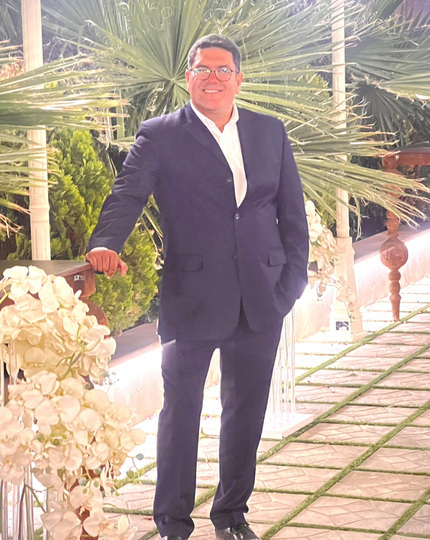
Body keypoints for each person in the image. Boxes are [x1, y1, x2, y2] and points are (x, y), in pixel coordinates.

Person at [86, 34, 309, 540]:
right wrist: (105, 242)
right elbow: (127, 193)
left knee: (245, 414)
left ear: (238, 78)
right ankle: (172, 524)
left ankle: (231, 515)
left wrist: (291, 282)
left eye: (223, 69)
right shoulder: (160, 134)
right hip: (192, 296)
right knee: (180, 414)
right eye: (203, 69)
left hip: (262, 298)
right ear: (188, 77)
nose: (213, 77)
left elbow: (291, 212)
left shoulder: (269, 131)